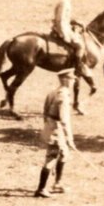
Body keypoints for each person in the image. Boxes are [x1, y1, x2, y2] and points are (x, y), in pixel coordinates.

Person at [35, 68, 77, 198]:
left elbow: (45, 111)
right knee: (52, 158)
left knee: (64, 154)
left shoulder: (53, 92)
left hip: (50, 127)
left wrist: (47, 127)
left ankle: (57, 183)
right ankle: (41, 189)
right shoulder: (63, 95)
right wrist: (69, 138)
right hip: (57, 131)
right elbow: (64, 120)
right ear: (65, 80)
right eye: (71, 79)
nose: (73, 81)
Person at [51, 0, 96, 92]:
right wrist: (64, 34)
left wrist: (77, 22)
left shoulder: (67, 2)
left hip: (66, 27)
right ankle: (78, 67)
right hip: (62, 29)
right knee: (80, 45)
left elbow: (66, 18)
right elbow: (60, 20)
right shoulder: (64, 2)